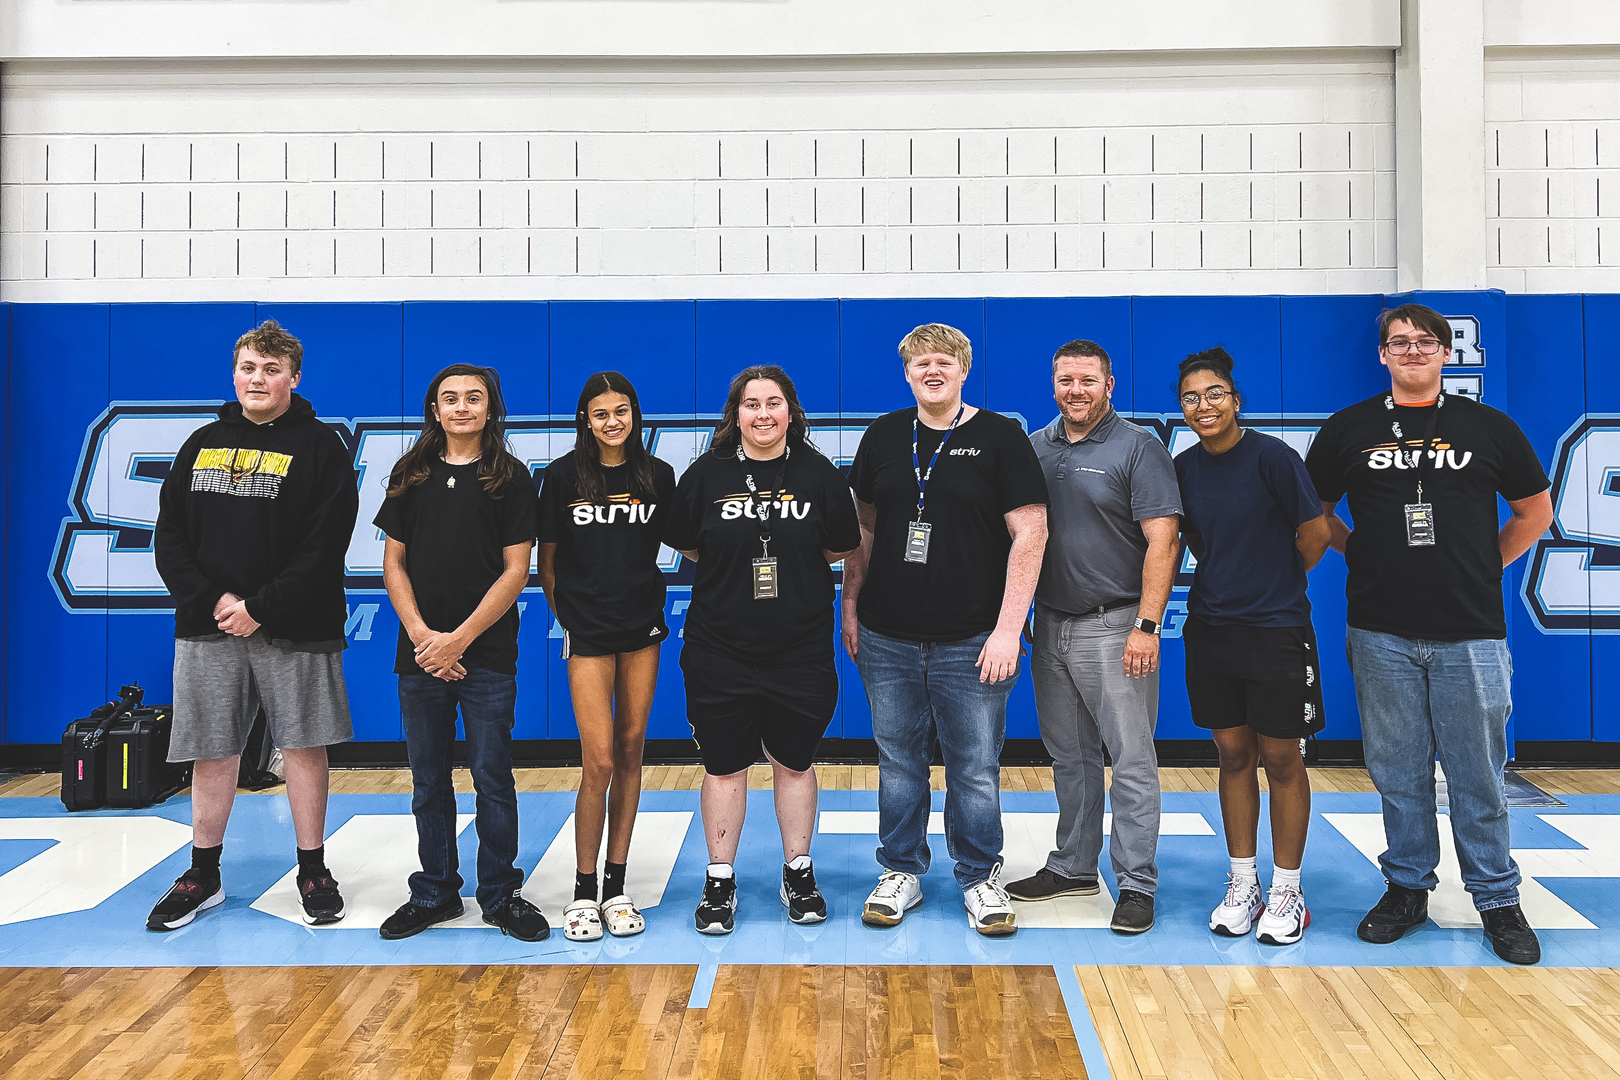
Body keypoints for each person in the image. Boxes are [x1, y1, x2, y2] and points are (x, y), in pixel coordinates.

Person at [1305, 303, 1554, 965]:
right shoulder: (1349, 428)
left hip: (1469, 631)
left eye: (1424, 342)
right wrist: (1361, 552)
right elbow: (1316, 514)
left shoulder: (1489, 427)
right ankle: (1407, 887)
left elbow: (1535, 511)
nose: (1412, 350)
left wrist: (1482, 563)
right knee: (1398, 772)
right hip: (1380, 629)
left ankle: (1497, 898)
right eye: (1399, 342)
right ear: (1383, 355)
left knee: (1478, 776)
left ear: (1446, 353)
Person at [148, 320, 359, 931]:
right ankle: (203, 873)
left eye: (271, 370)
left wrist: (260, 606)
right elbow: (170, 537)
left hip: (296, 623)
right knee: (211, 751)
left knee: (302, 745)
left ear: (294, 377)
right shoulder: (201, 443)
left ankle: (312, 869)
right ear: (234, 373)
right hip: (209, 624)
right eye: (248, 368)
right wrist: (215, 600)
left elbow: (325, 544)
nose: (258, 379)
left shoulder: (323, 447)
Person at [843, 323, 1049, 937]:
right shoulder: (882, 436)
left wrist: (1008, 629)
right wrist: (851, 602)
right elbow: (866, 533)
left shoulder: (1000, 437)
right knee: (899, 761)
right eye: (920, 364)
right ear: (907, 374)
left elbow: (1031, 533)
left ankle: (980, 876)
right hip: (887, 635)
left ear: (963, 371)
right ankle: (900, 870)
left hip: (973, 639)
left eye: (944, 363)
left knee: (974, 766)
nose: (931, 372)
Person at [666, 365, 860, 935]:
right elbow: (690, 546)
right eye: (751, 405)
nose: (764, 414)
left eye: (774, 403)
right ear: (737, 415)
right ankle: (719, 879)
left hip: (798, 651)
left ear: (792, 412)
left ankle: (798, 871)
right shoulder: (706, 475)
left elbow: (836, 550)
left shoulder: (819, 475)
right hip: (719, 649)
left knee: (794, 764)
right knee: (724, 766)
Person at [1003, 339, 1178, 935]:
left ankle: (1136, 882)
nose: (1075, 391)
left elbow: (1164, 541)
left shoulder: (1138, 448)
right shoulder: (1034, 448)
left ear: (1109, 384)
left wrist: (1147, 625)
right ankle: (1074, 865)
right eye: (1065, 381)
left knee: (1130, 758)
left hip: (1117, 623)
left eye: (1087, 380)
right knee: (1069, 757)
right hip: (1050, 623)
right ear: (1053, 385)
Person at [373, 364, 549, 942]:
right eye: (450, 398)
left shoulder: (512, 479)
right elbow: (393, 563)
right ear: (435, 409)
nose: (462, 407)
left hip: (486, 655)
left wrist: (459, 640)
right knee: (428, 781)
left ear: (491, 408)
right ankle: (436, 892)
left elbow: (516, 570)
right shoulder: (410, 474)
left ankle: (500, 894)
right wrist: (426, 638)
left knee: (492, 777)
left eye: (474, 398)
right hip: (420, 656)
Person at [1173, 348, 1330, 945]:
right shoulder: (1184, 469)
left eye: (1214, 394)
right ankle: (1245, 884)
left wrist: (1276, 581)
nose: (1203, 406)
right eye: (1190, 397)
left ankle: (1288, 891)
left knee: (1283, 759)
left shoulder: (1272, 457)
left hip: (1277, 631)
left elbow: (1313, 532)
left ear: (1235, 399)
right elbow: (1190, 539)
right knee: (1233, 757)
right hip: (1212, 631)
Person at [537, 372, 676, 941]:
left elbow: (689, 543)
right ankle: (582, 889)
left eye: (622, 411)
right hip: (588, 633)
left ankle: (617, 887)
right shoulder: (563, 476)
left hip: (642, 628)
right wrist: (570, 616)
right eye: (601, 413)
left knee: (630, 751)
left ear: (634, 414)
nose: (612, 421)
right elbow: (547, 563)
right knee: (597, 760)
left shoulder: (658, 475)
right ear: (585, 420)